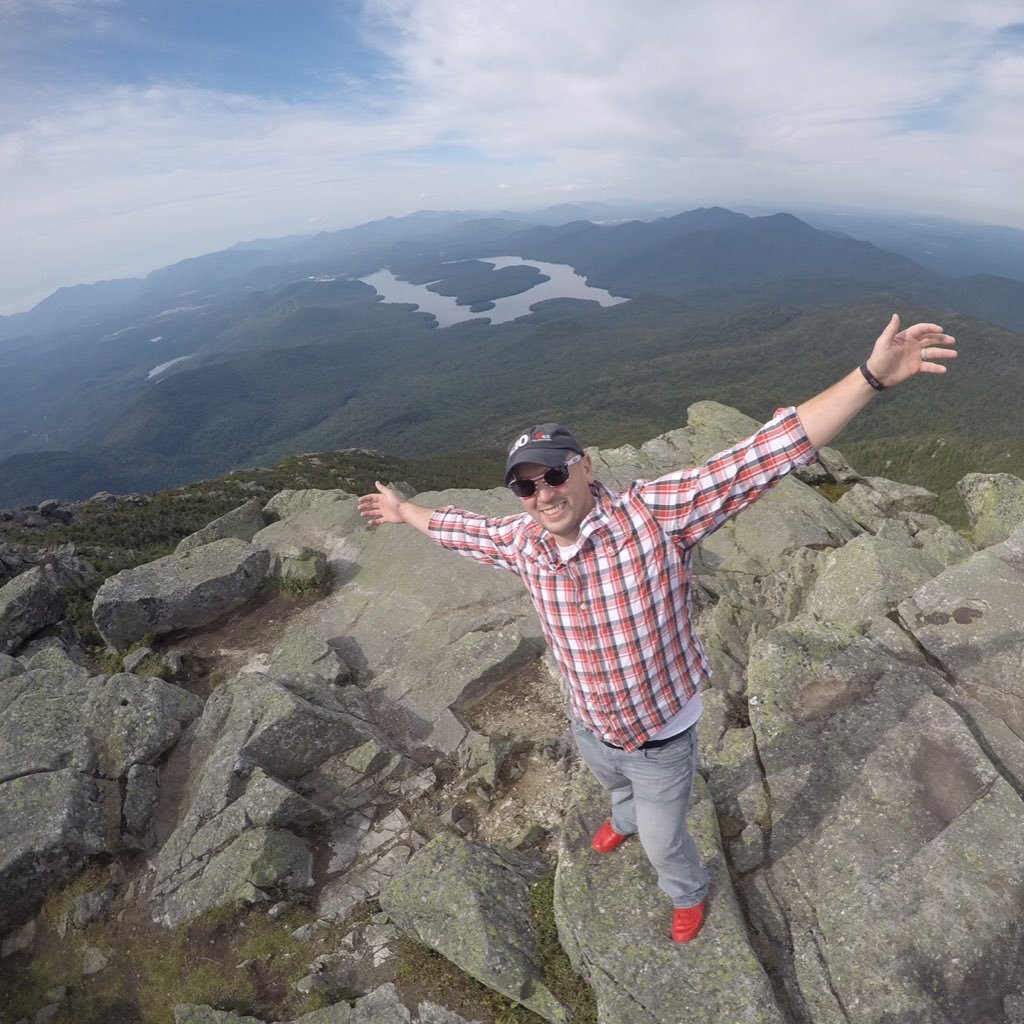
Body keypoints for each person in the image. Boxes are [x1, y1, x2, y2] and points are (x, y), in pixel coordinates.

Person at [357, 314, 957, 943]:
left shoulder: (655, 517)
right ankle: (624, 813)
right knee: (611, 783)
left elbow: (762, 456)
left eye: (554, 475)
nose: (542, 495)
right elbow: (460, 527)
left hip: (661, 735)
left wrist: (870, 378)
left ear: (584, 468)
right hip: (590, 720)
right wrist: (404, 511)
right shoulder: (523, 540)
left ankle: (689, 889)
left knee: (665, 841)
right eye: (525, 486)